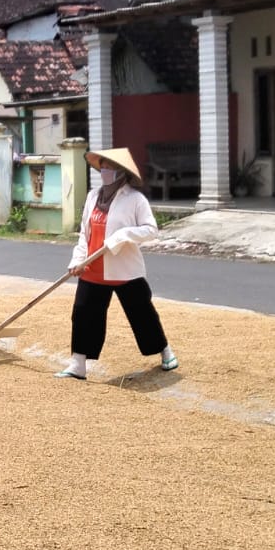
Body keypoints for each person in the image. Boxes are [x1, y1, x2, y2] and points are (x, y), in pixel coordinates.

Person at [55, 147, 179, 380]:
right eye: (102, 166)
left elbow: (150, 230)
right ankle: (78, 363)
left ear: (121, 172)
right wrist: (77, 259)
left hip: (124, 270)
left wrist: (122, 236)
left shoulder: (134, 199)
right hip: (92, 268)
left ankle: (165, 352)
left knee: (142, 314)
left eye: (110, 167)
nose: (105, 171)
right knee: (83, 314)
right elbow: (85, 233)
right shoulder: (93, 197)